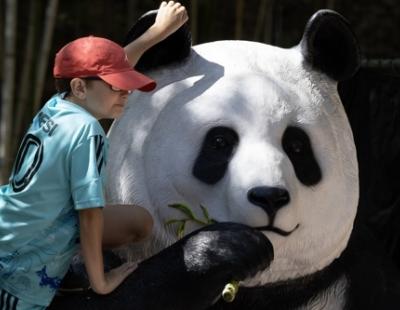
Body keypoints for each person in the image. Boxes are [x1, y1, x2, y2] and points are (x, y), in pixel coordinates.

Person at [0, 1, 188, 309]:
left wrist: (156, 33)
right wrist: (101, 282)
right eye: (118, 86)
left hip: (13, 221)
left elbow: (105, 71)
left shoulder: (59, 105)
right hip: (21, 270)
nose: (126, 92)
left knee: (139, 220)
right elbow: (90, 215)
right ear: (79, 86)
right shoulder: (88, 132)